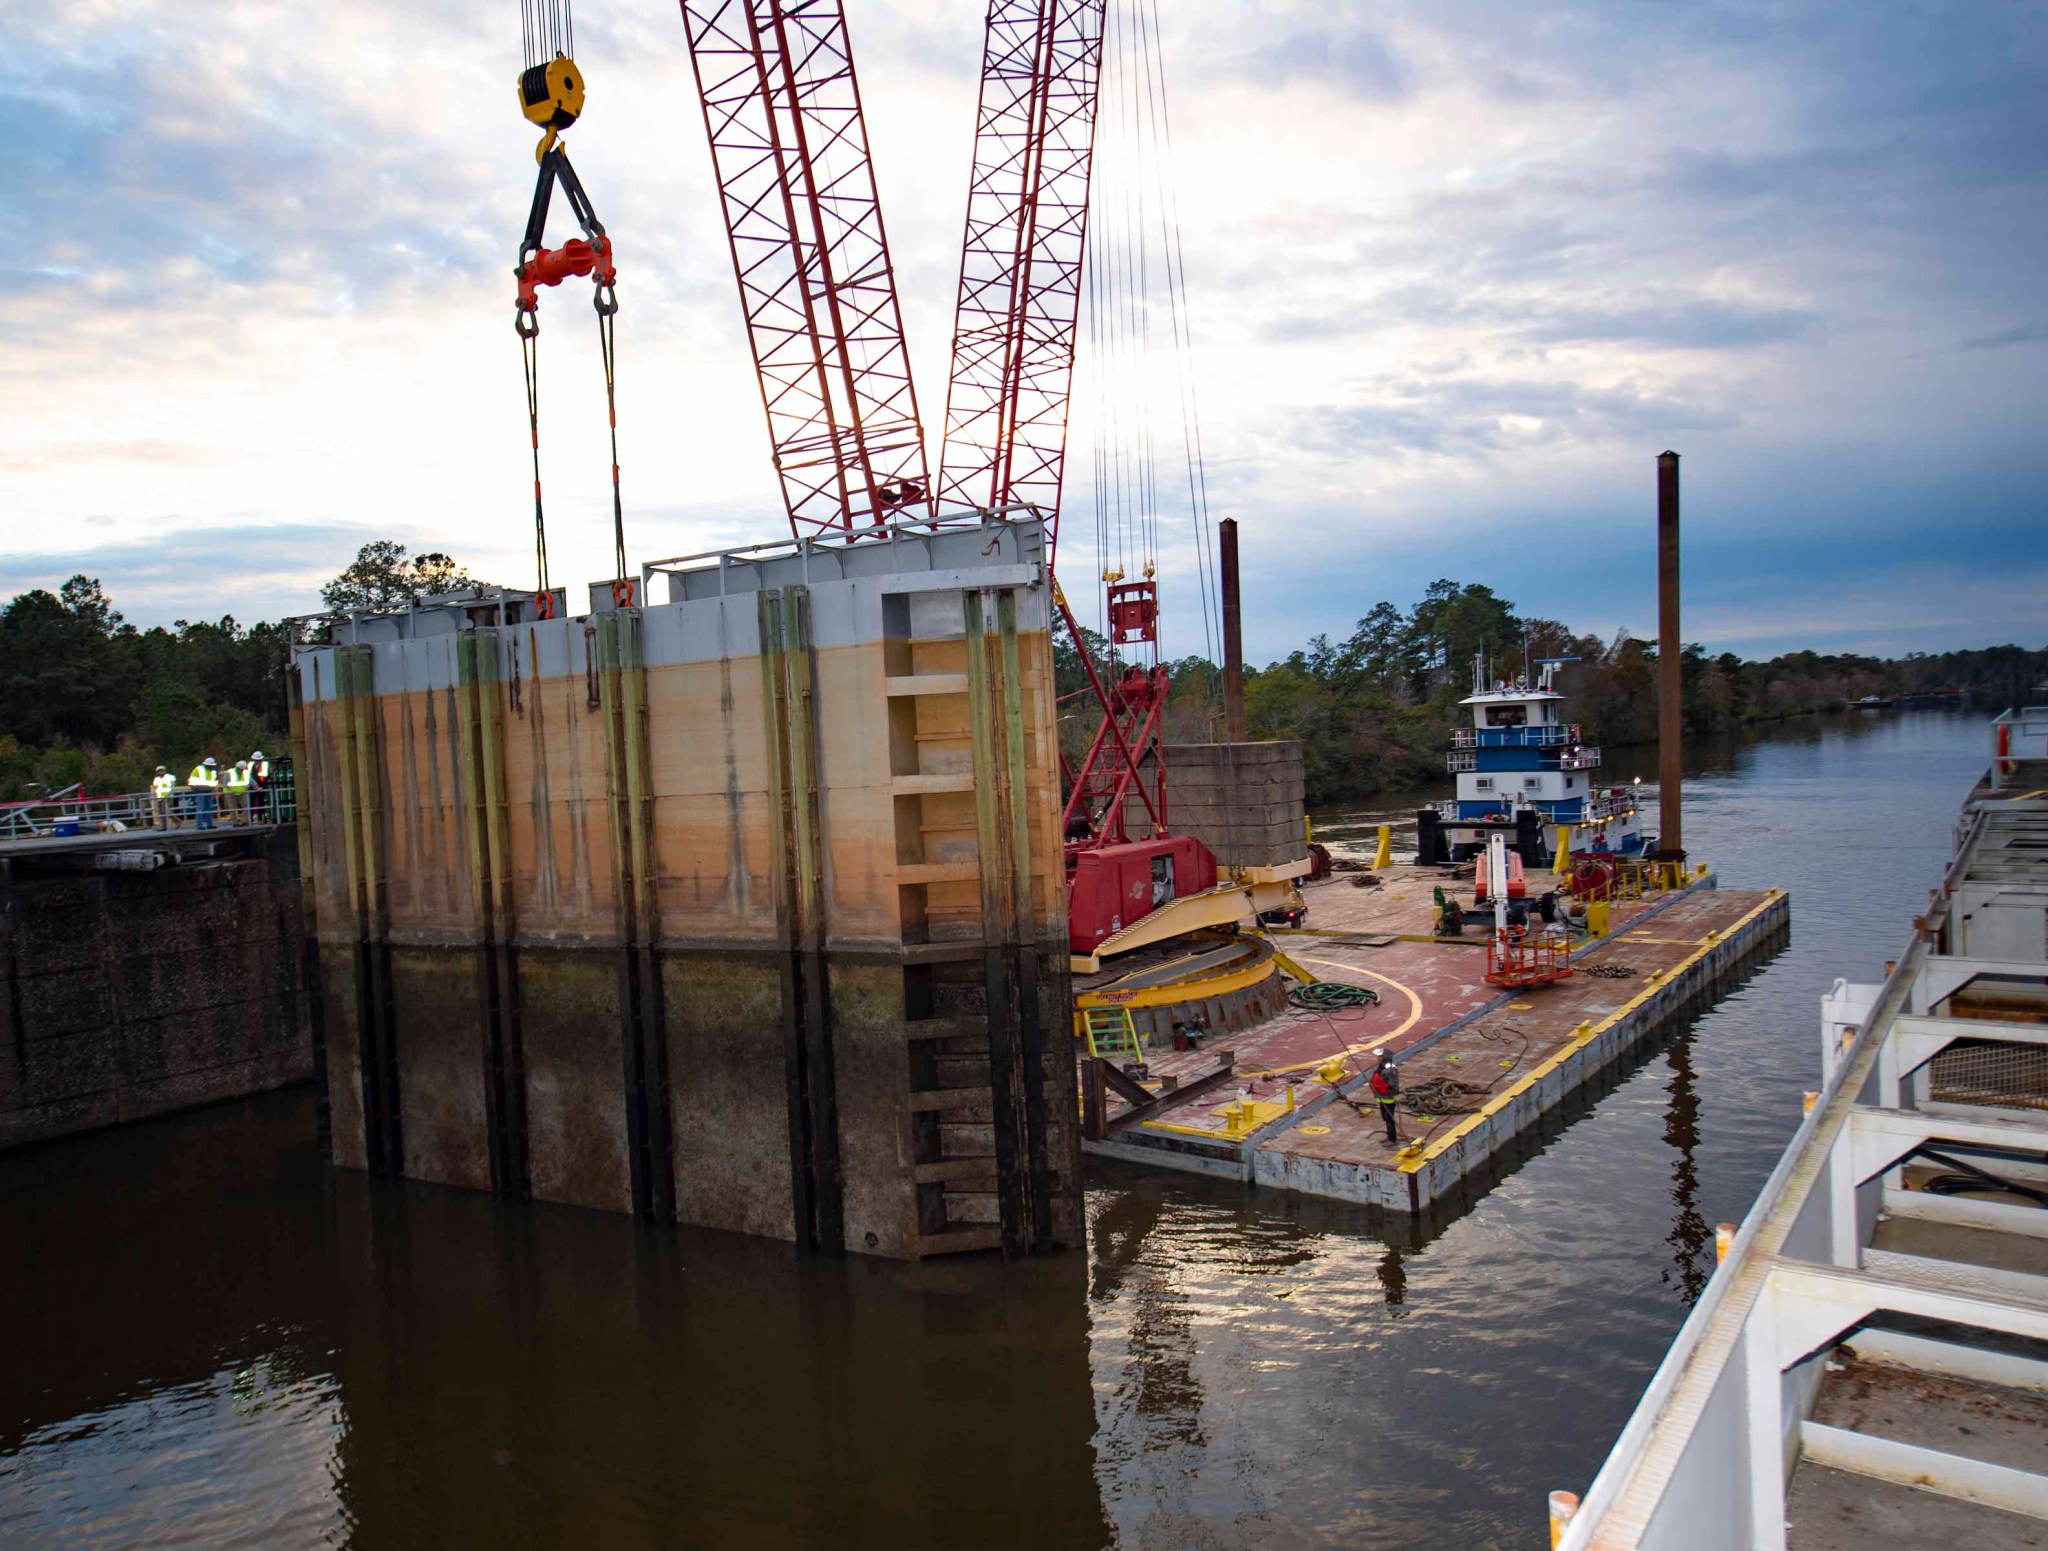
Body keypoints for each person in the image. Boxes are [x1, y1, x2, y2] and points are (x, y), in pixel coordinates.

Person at [1368, 1048, 1401, 1145]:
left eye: (1379, 1056)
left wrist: (1392, 1094)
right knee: (1385, 1118)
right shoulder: (1380, 1068)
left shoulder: (1390, 1070)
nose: (1377, 1058)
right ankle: (1389, 1135)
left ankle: (1392, 1139)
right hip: (1381, 1097)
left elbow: (1393, 1085)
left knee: (1389, 1119)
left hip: (1388, 1099)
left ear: (1384, 1058)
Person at [188, 756, 221, 831]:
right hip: (200, 791)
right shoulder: (198, 769)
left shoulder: (212, 772)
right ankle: (199, 825)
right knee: (201, 808)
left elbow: (214, 781)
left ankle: (209, 824)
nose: (211, 767)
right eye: (211, 765)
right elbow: (192, 781)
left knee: (209, 808)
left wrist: (211, 787)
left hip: (209, 791)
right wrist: (207, 786)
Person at [223, 759, 251, 825]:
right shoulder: (229, 772)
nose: (241, 770)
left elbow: (250, 780)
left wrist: (256, 786)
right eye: (240, 769)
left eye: (242, 769)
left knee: (246, 806)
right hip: (231, 793)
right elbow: (225, 783)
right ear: (237, 767)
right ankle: (234, 822)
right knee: (232, 807)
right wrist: (229, 789)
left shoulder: (245, 772)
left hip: (242, 792)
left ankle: (245, 821)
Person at [150, 765, 178, 829]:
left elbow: (173, 787)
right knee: (161, 812)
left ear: (165, 771)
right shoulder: (156, 779)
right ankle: (163, 826)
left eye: (162, 770)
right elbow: (155, 788)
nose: (161, 772)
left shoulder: (170, 777)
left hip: (168, 796)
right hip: (160, 797)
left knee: (165, 810)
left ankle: (177, 821)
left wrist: (169, 794)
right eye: (159, 771)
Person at [248, 750, 270, 823]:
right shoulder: (250, 765)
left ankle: (261, 818)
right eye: (256, 760)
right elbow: (247, 776)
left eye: (258, 760)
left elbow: (267, 776)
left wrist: (262, 786)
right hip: (252, 787)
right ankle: (250, 819)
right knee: (250, 803)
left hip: (261, 787)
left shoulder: (265, 765)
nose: (257, 761)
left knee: (261, 803)